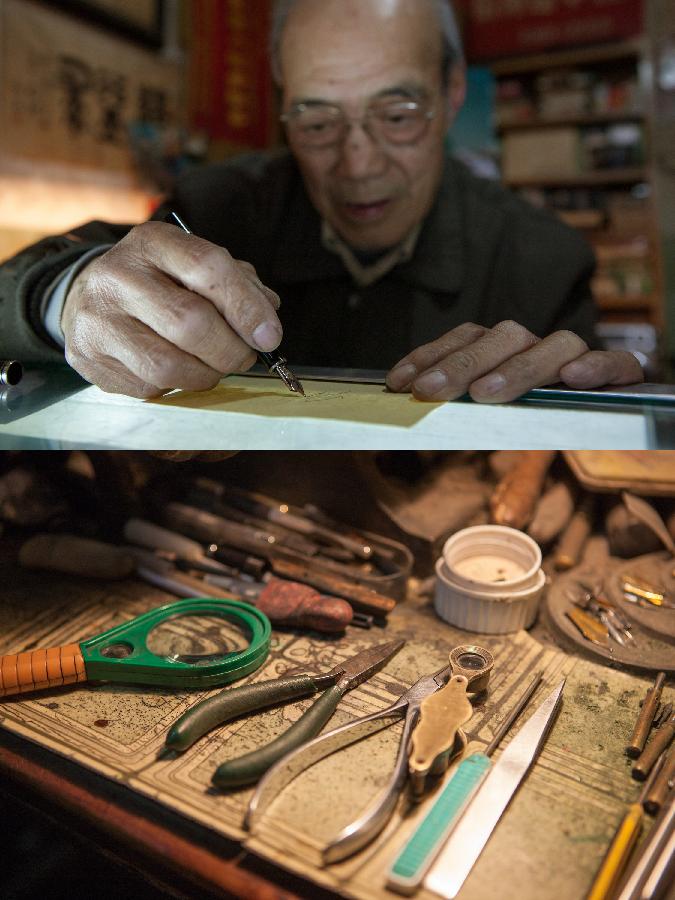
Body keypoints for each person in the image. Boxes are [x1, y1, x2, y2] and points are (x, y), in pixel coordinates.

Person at [0, 0, 644, 403]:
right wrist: (68, 293)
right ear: (282, 110)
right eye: (316, 123)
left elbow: (585, 424)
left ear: (452, 94)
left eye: (397, 115)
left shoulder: (544, 260)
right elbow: (29, 287)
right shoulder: (214, 205)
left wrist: (587, 404)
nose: (358, 164)